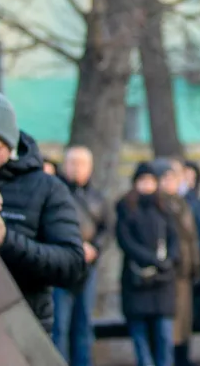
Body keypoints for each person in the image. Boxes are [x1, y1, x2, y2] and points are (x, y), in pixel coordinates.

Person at [0, 90, 86, 334]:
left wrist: (6, 241)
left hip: (21, 332)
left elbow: (72, 266)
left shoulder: (46, 188)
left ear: (11, 144)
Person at [54, 145, 113, 366]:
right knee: (60, 325)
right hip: (60, 267)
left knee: (83, 324)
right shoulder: (56, 193)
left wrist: (95, 248)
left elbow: (107, 229)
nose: (77, 168)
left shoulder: (98, 198)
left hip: (88, 268)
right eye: (73, 163)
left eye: (82, 164)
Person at [117, 161, 180, 366]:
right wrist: (152, 260)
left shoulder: (165, 208)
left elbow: (174, 238)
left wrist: (168, 261)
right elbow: (126, 241)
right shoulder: (126, 208)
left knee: (164, 337)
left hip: (163, 283)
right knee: (141, 339)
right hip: (136, 281)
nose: (146, 185)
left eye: (150, 181)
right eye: (142, 181)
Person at [155, 159, 200, 366]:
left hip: (185, 272)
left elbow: (192, 238)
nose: (171, 182)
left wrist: (195, 265)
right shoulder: (158, 205)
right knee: (171, 325)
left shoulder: (183, 204)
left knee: (184, 324)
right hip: (168, 273)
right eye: (166, 178)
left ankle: (183, 358)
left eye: (174, 178)